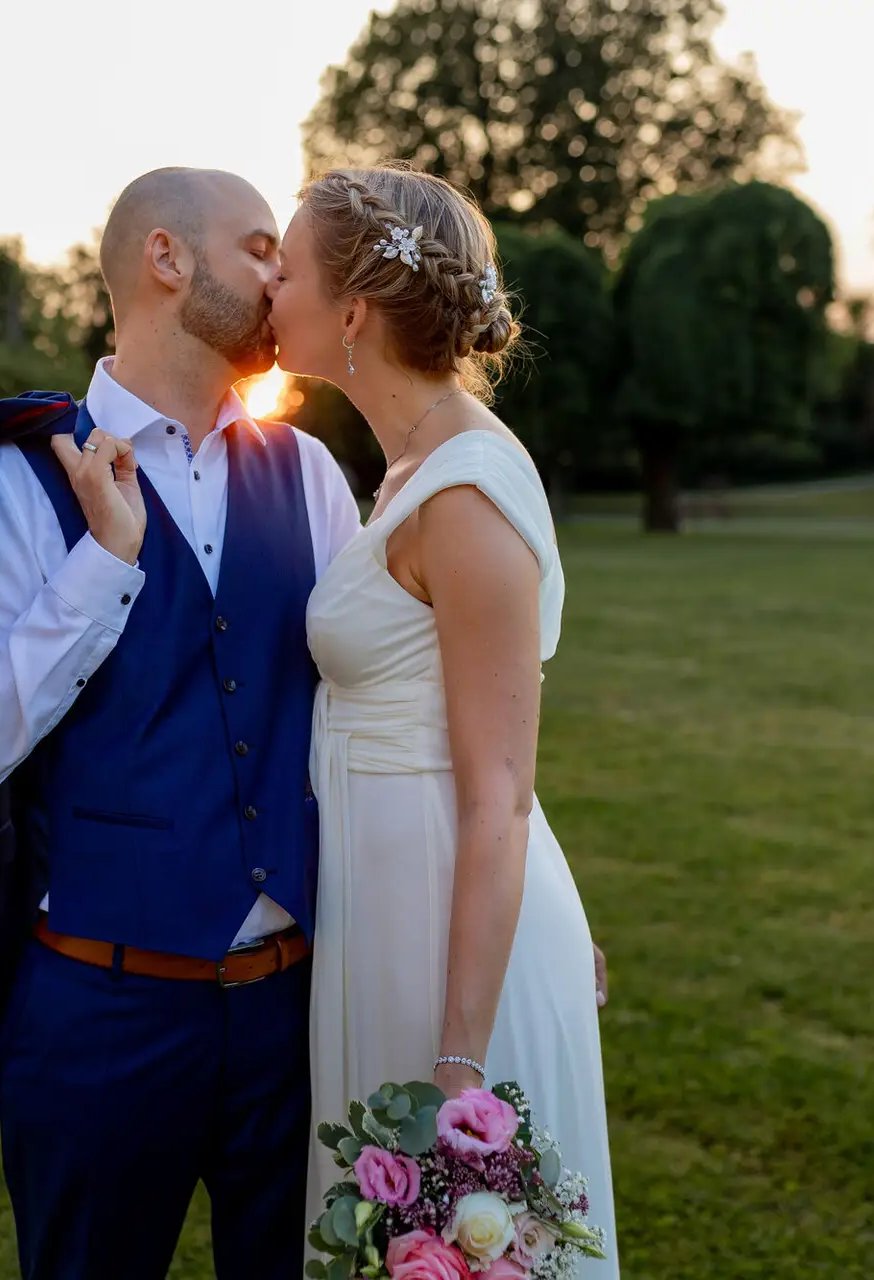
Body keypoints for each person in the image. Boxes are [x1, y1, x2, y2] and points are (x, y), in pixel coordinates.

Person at [0, 166, 358, 1280]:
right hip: (101, 1014)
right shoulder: (25, 485)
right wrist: (102, 564)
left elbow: (379, 715)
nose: (284, 275)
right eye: (261, 247)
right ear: (168, 259)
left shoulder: (308, 473)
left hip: (298, 1015)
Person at [266, 165, 619, 1271]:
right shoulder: (409, 468)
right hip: (390, 896)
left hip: (442, 935)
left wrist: (461, 1056)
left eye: (288, 266)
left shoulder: (464, 492)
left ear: (354, 311)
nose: (270, 285)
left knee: (457, 1231)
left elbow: (501, 790)